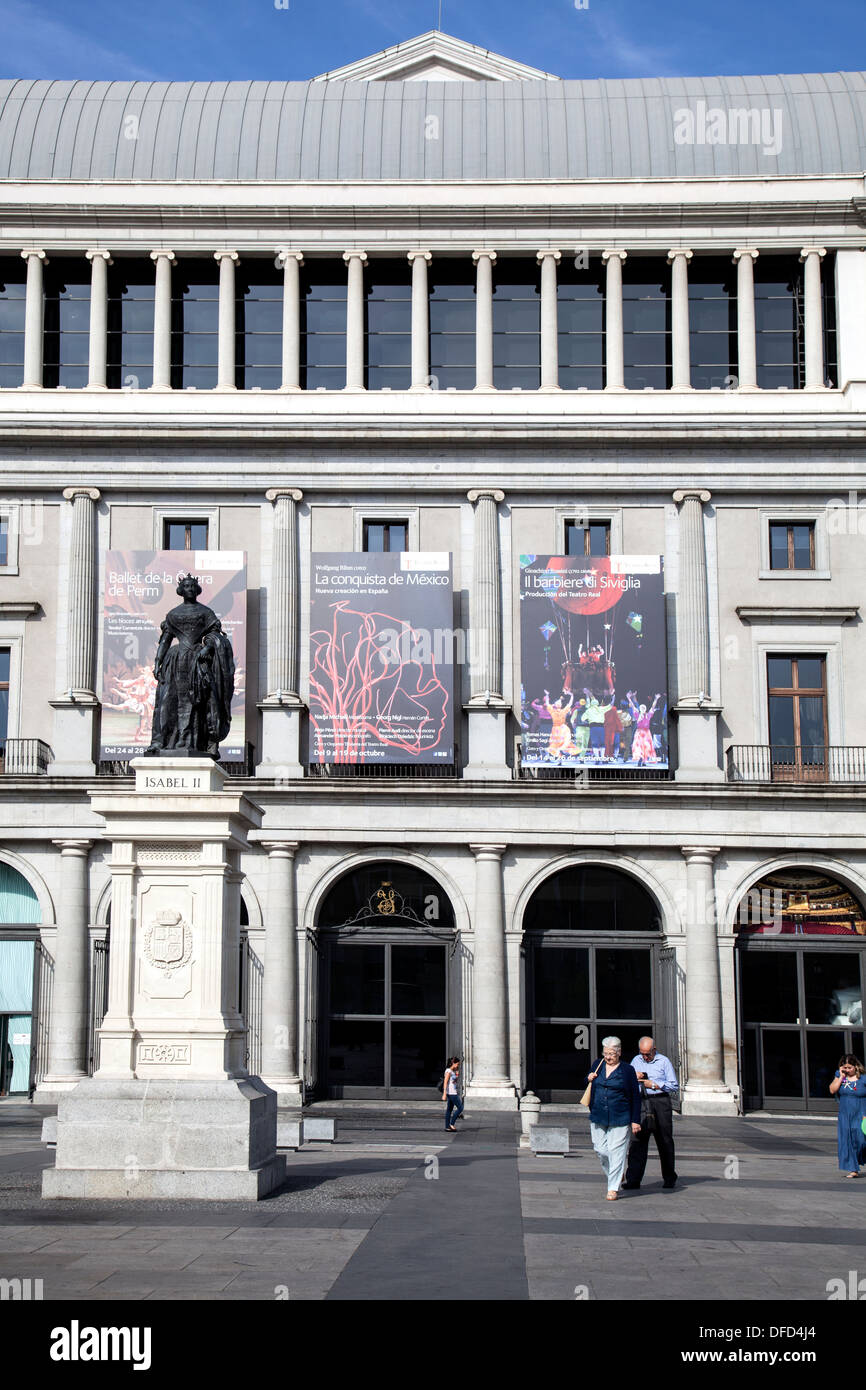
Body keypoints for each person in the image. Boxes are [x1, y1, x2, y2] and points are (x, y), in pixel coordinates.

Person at [586, 1036, 642, 1200]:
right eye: (606, 1053)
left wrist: (635, 1120)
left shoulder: (627, 1070)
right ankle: (616, 1174)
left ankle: (613, 1188)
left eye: (611, 1054)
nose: (608, 1057)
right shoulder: (598, 1064)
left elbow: (635, 1096)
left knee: (616, 1152)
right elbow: (589, 1083)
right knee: (601, 1150)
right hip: (598, 1115)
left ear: (619, 1053)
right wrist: (588, 1078)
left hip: (620, 1116)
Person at [622, 1036, 679, 1190]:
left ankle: (669, 1177)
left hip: (660, 1101)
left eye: (648, 1054)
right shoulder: (636, 1060)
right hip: (641, 1101)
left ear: (654, 1050)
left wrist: (653, 1084)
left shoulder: (664, 1061)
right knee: (638, 1140)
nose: (645, 1057)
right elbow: (627, 1080)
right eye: (642, 1053)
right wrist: (634, 1077)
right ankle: (633, 1179)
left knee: (664, 1140)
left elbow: (673, 1085)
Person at [829, 1053, 866, 1177]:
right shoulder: (839, 1076)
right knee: (848, 1140)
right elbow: (832, 1090)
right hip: (845, 1114)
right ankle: (853, 1169)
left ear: (856, 1066)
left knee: (861, 1140)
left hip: (861, 1113)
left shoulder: (863, 1078)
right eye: (845, 1067)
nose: (847, 1070)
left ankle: (858, 1160)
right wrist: (840, 1077)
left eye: (850, 1067)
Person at [442, 1056, 464, 1131]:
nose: (458, 1066)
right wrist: (444, 1094)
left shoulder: (452, 1071)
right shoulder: (448, 1071)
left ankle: (447, 1126)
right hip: (451, 1093)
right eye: (457, 1064)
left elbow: (454, 1081)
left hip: (452, 1092)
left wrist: (457, 1073)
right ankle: (451, 1124)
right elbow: (445, 1082)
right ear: (453, 1063)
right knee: (460, 1108)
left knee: (449, 1109)